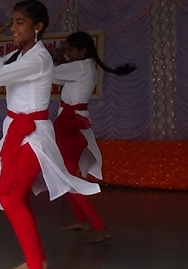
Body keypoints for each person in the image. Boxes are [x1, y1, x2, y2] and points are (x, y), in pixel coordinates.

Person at [0, 0, 100, 269]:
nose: (13, 27)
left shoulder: (39, 58)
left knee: (11, 197)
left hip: (34, 135)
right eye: (12, 21)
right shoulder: (16, 56)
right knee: (16, 197)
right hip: (16, 134)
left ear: (37, 27)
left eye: (20, 22)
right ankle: (37, 259)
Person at [53, 31, 134, 243]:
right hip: (70, 122)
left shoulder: (80, 66)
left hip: (72, 126)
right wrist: (58, 60)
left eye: (70, 50)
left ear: (82, 51)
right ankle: (83, 220)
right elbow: (56, 76)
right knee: (67, 174)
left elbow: (49, 73)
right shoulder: (82, 66)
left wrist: (53, 58)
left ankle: (100, 227)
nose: (67, 53)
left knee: (68, 177)